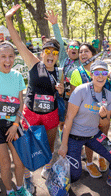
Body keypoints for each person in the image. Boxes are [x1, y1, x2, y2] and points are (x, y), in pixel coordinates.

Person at [6, 4, 64, 194]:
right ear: (42, 53)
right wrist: (8, 20)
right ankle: (28, 178)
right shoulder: (33, 63)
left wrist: (62, 90)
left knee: (48, 146)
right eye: (48, 51)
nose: (51, 55)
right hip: (30, 114)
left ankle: (47, 172)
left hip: (51, 116)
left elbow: (61, 92)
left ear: (57, 56)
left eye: (55, 53)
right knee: (25, 147)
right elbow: (18, 41)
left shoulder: (59, 70)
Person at [58, 60, 111, 194]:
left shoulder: (109, 96)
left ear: (107, 75)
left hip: (94, 135)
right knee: (75, 175)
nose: (100, 76)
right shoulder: (81, 90)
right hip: (74, 137)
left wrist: (104, 117)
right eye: (97, 73)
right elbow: (69, 118)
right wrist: (64, 144)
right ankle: (62, 186)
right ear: (91, 74)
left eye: (104, 73)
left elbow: (105, 124)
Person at [0, 41, 31, 195]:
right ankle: (9, 190)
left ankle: (20, 188)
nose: (7, 60)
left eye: (10, 56)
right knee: (5, 164)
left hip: (14, 124)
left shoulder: (18, 75)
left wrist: (15, 124)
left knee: (20, 161)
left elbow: (21, 102)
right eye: (3, 56)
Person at [44, 10, 80, 132]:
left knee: (76, 124)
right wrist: (54, 24)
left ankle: (76, 149)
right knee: (62, 123)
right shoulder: (64, 58)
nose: (73, 49)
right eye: (71, 47)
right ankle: (64, 147)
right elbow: (59, 41)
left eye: (76, 47)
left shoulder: (82, 62)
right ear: (67, 49)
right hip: (63, 97)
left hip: (78, 99)